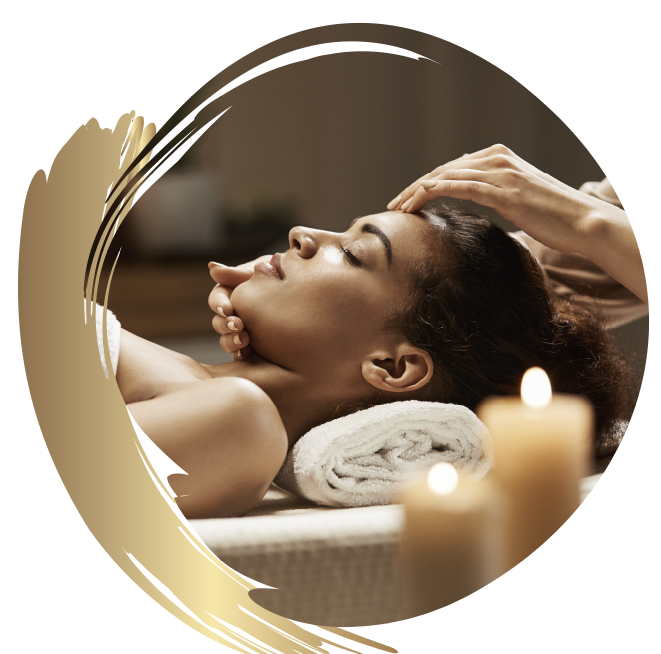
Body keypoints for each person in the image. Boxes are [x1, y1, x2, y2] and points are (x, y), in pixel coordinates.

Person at [124, 145, 647, 519]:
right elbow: (496, 292)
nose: (301, 234)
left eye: (353, 253)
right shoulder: (195, 394)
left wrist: (589, 223)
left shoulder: (238, 424)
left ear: (394, 366)